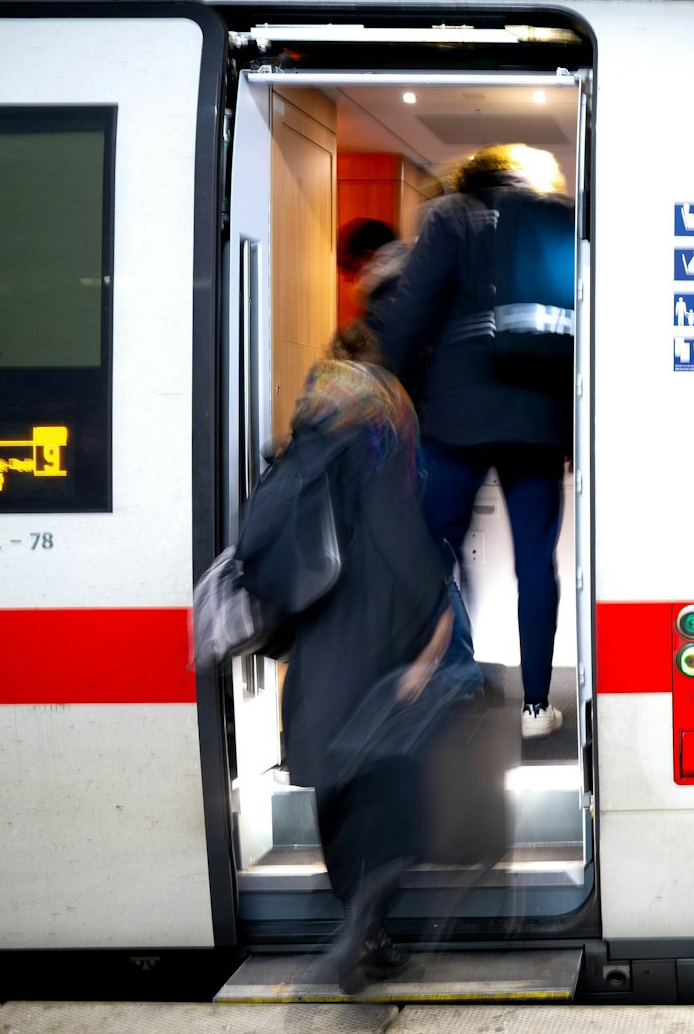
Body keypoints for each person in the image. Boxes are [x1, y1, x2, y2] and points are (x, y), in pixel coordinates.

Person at [241, 348, 454, 994]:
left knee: (338, 808)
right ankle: (361, 930)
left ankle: (365, 933)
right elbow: (409, 559)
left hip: (314, 675)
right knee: (392, 808)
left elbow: (262, 563)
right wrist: (438, 617)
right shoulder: (374, 457)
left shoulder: (289, 464)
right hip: (372, 660)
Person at [378, 144, 574, 740]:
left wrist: (401, 394)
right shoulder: (555, 218)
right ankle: (536, 707)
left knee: (438, 551)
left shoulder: (450, 216)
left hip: (456, 418)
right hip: (536, 418)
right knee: (536, 563)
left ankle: (450, 682)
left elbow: (411, 315)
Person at [338, 217, 409, 338]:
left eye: (350, 266)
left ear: (369, 256)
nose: (347, 278)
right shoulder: (415, 281)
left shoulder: (384, 308)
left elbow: (370, 354)